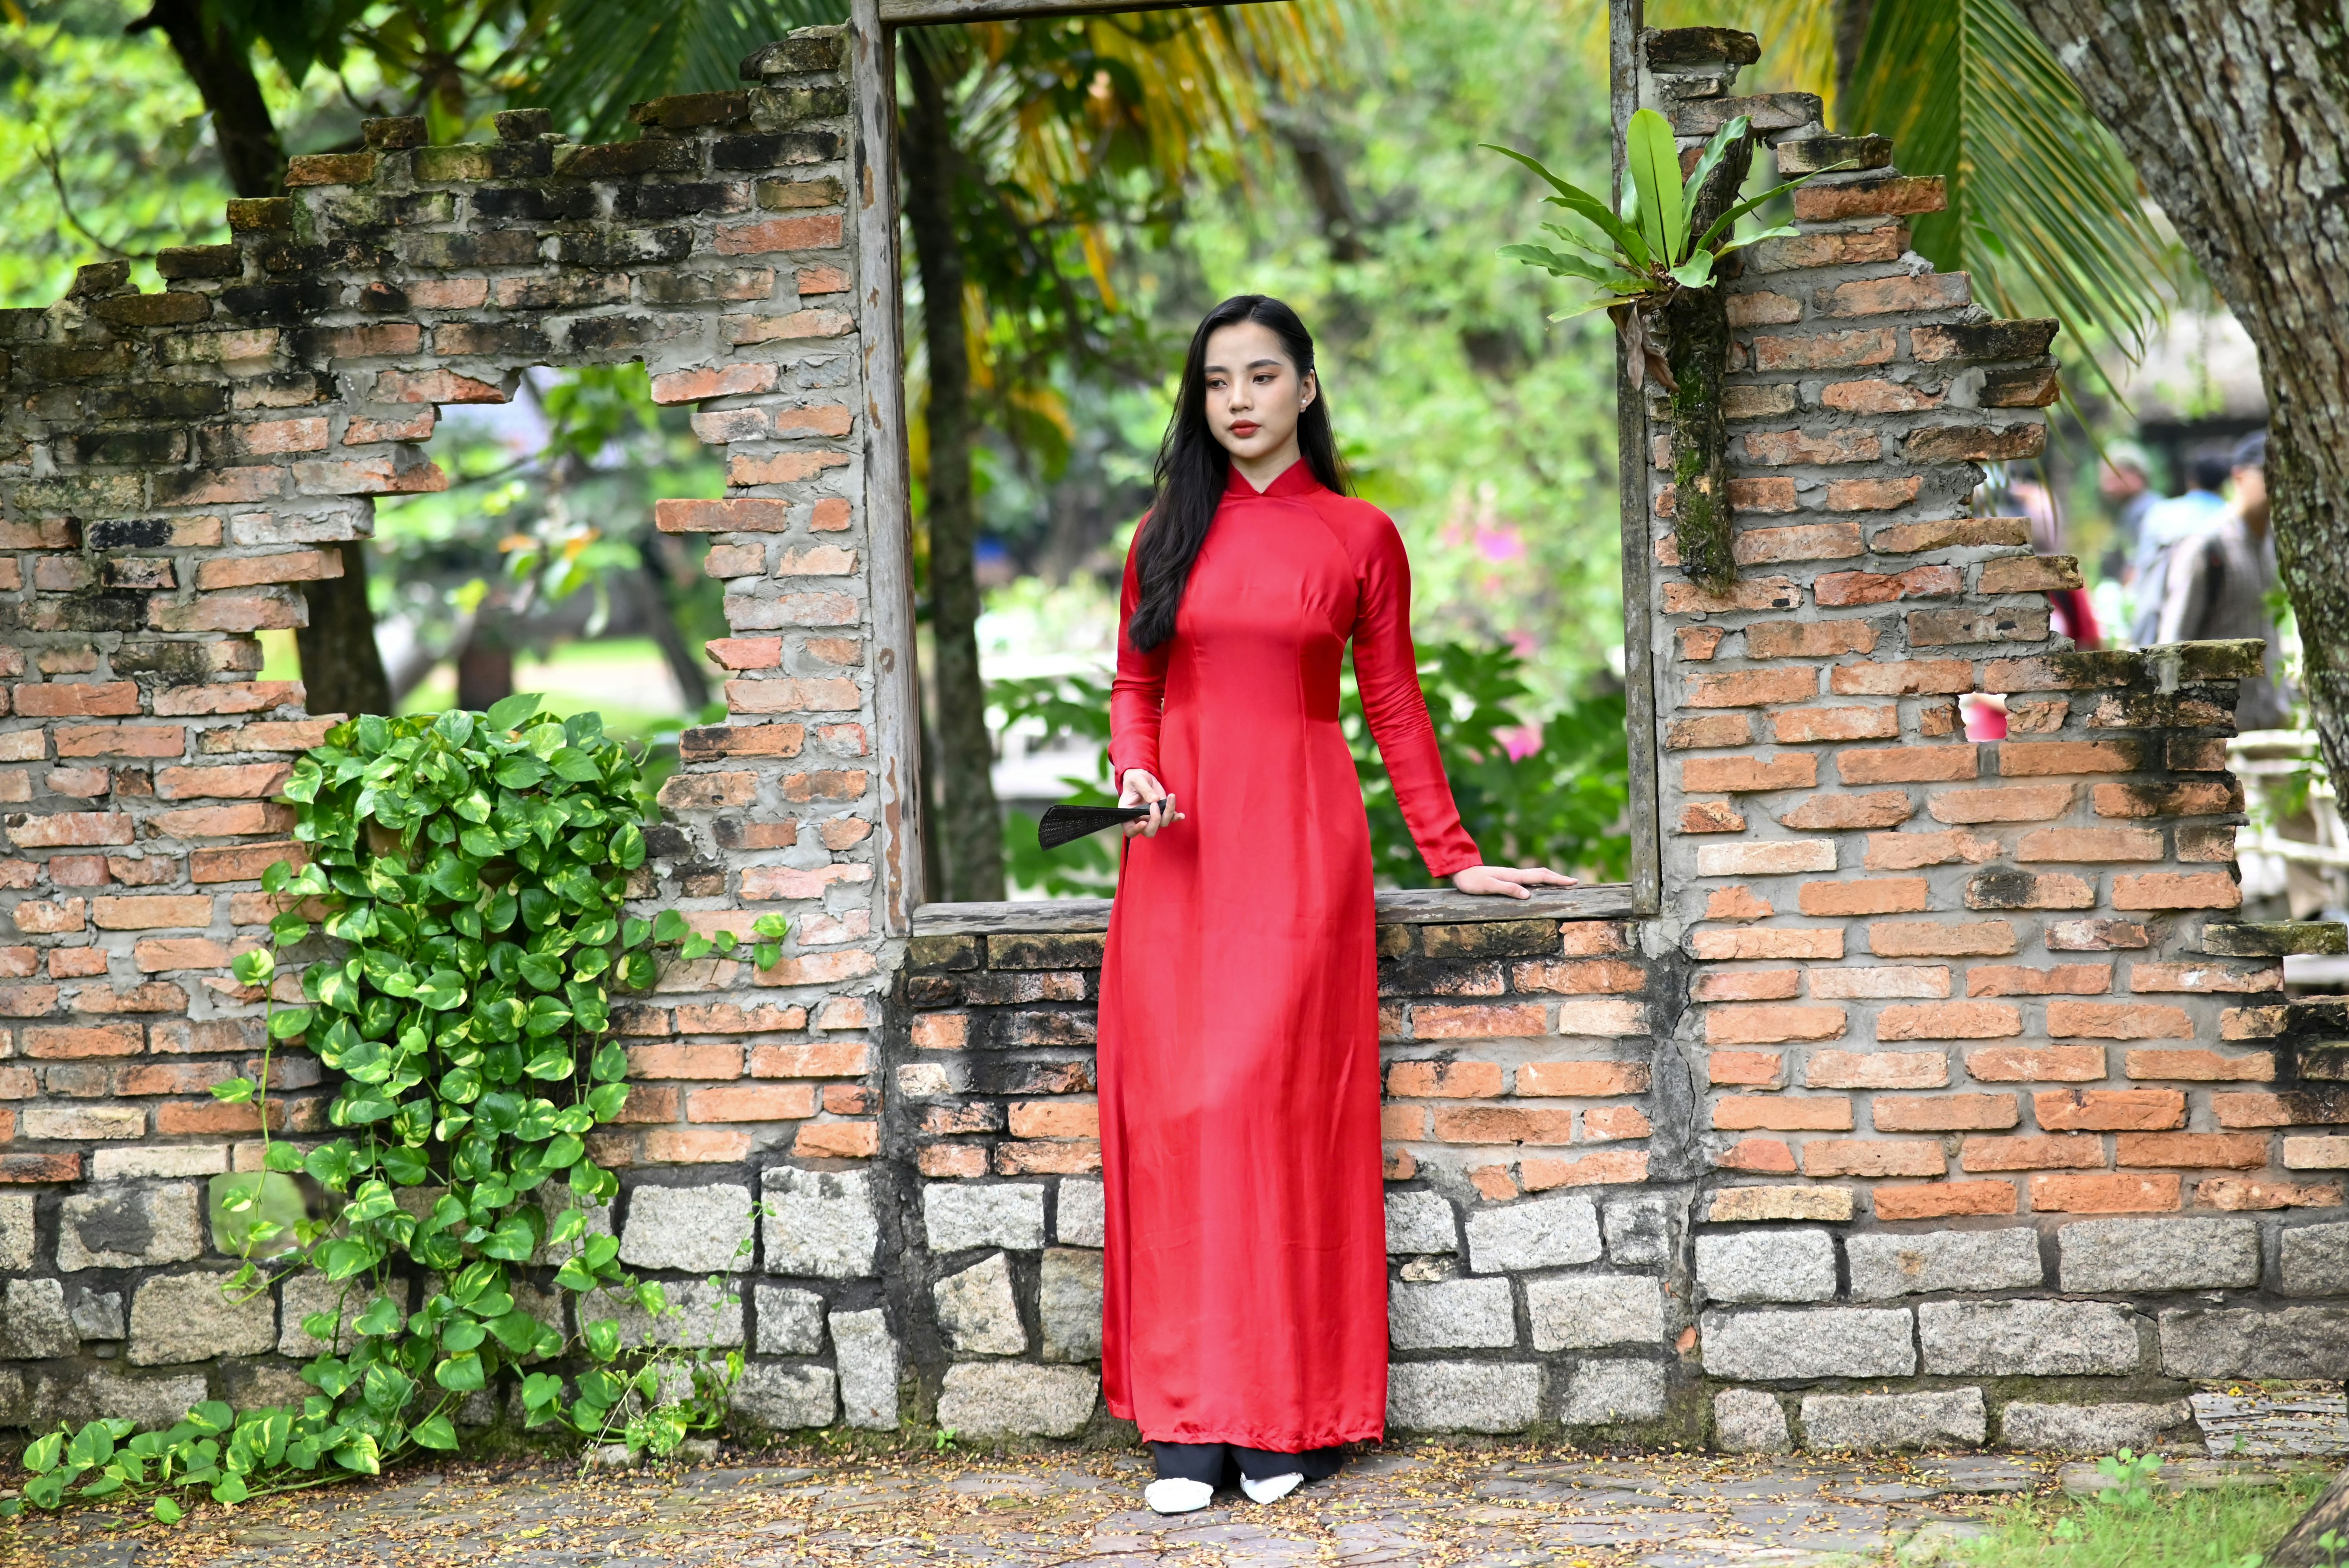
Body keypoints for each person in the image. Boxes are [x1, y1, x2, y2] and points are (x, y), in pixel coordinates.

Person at [1099, 295, 1573, 1516]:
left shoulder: (1359, 535)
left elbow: (1395, 702)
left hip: (1300, 845)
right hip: (1178, 852)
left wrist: (1452, 852)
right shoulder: (1161, 534)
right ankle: (1187, 1422)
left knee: (1275, 1109)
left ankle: (1284, 1417)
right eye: (1217, 382)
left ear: (1306, 389)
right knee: (1183, 1114)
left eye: (1262, 375)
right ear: (1200, 402)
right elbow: (1134, 685)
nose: (1239, 399)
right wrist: (1134, 773)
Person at [2154, 430, 2294, 730]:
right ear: (2240, 477)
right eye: (2270, 473)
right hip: (2218, 732)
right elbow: (2171, 645)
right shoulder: (2207, 546)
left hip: (2271, 725)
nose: (2281, 483)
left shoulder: (2279, 546)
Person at [2128, 450, 2233, 645]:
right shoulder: (2231, 519)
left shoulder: (2161, 514)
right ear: (2225, 483)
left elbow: (2143, 568)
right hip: (2221, 621)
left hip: (2165, 614)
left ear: (2191, 480)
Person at [2097, 440, 2158, 582]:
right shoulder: (2133, 508)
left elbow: (2137, 564)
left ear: (2135, 475)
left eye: (2112, 477)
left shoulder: (2142, 510)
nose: (2106, 485)